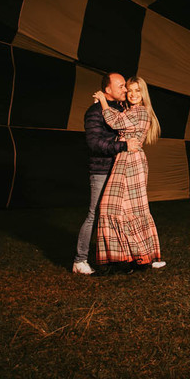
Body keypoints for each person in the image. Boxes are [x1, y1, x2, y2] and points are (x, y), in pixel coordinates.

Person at [92, 75, 165, 270]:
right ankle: (131, 257)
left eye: (137, 91)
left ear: (143, 94)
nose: (132, 94)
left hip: (132, 161)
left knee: (124, 208)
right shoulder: (131, 110)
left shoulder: (141, 111)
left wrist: (103, 100)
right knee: (120, 209)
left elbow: (115, 121)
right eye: (130, 90)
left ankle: (141, 256)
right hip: (124, 159)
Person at [72, 72, 138, 275]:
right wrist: (123, 146)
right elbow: (94, 144)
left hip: (120, 169)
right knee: (95, 214)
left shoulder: (122, 109)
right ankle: (79, 260)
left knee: (120, 215)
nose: (125, 89)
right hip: (102, 170)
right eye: (121, 86)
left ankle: (120, 258)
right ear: (107, 89)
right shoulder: (94, 112)